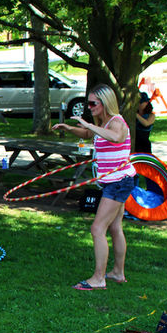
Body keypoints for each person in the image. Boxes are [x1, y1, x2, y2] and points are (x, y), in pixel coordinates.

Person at [52, 84, 137, 290]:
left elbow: (116, 137)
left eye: (93, 103)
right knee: (115, 227)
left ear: (105, 103)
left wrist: (89, 125)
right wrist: (70, 128)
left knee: (97, 228)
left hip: (117, 182)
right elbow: (91, 135)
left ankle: (99, 279)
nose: (89, 107)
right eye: (87, 103)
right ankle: (118, 272)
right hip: (117, 181)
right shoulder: (104, 122)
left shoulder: (117, 122)